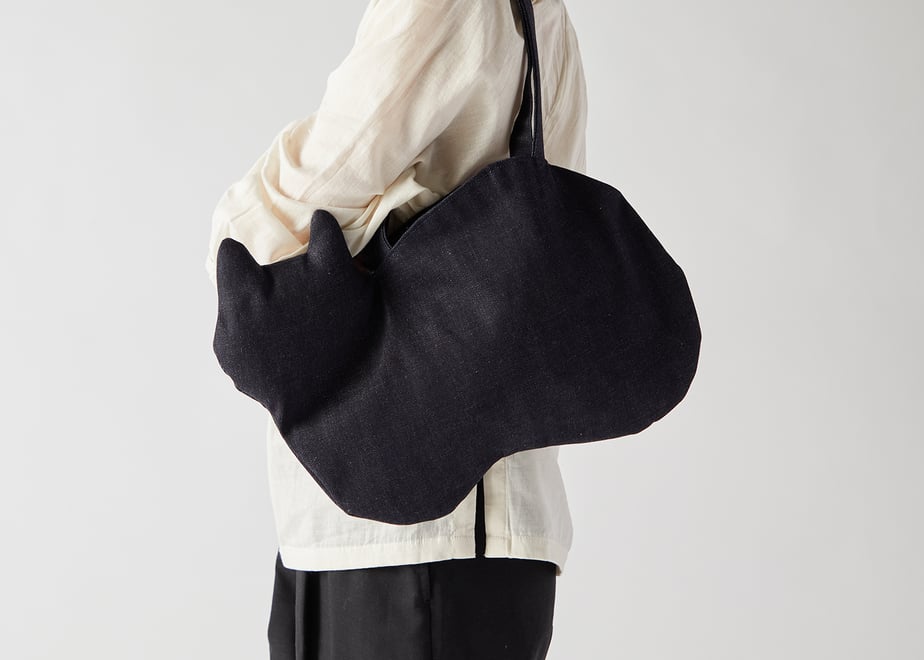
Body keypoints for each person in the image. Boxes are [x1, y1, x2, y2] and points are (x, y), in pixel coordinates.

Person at [205, 0, 588, 657]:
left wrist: (238, 209)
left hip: (411, 542)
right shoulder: (540, 16)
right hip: (453, 531)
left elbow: (280, 220)